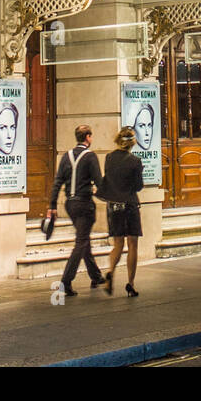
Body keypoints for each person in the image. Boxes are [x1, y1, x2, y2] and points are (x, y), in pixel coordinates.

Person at [46, 123, 104, 297]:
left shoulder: (66, 156)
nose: (91, 139)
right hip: (84, 204)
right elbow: (99, 182)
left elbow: (57, 182)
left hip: (70, 205)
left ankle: (96, 276)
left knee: (83, 238)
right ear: (87, 137)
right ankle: (65, 282)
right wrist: (104, 194)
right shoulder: (90, 157)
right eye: (91, 136)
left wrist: (52, 205)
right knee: (81, 242)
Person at [100, 125, 144, 296]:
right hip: (130, 205)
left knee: (118, 244)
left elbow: (109, 180)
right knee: (132, 244)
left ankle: (111, 271)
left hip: (113, 205)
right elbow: (138, 186)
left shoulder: (109, 158)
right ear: (132, 142)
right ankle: (130, 283)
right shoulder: (135, 162)